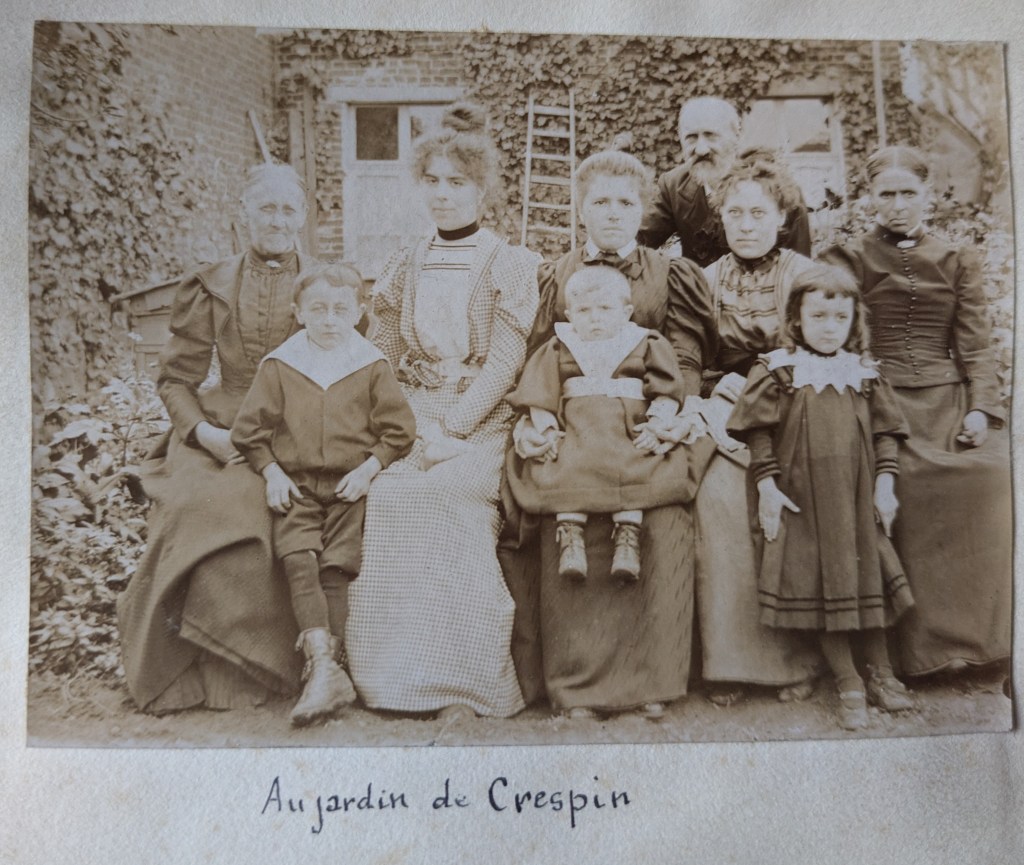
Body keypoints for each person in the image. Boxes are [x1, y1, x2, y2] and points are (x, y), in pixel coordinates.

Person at [503, 149, 714, 720]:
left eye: (625, 202)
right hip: (572, 422)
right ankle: (576, 685)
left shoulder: (670, 274)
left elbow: (684, 356)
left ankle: (651, 679)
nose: (614, 212)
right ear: (581, 210)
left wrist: (671, 416)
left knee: (663, 513)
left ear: (642, 210)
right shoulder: (557, 274)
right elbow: (541, 357)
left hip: (648, 422)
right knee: (558, 503)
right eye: (600, 201)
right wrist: (534, 422)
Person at [343, 104, 538, 720]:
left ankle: (466, 683)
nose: (444, 194)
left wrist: (452, 428)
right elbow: (381, 351)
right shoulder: (406, 261)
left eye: (458, 182)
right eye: (432, 181)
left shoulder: (510, 262)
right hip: (414, 412)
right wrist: (407, 422)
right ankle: (391, 678)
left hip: (483, 418)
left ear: (482, 189)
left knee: (447, 494)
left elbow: (506, 362)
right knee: (389, 496)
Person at [117, 163, 319, 713]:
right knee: (189, 508)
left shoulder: (323, 286)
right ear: (244, 213)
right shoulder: (212, 283)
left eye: (288, 209)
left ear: (302, 216)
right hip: (218, 428)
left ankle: (247, 673)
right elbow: (175, 380)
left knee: (247, 509)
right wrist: (205, 434)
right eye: (266, 208)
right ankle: (187, 670)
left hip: (294, 430)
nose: (277, 220)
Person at [821, 145, 1012, 677]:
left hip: (948, 403)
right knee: (904, 482)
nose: (898, 205)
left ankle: (984, 644)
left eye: (909, 193)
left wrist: (981, 410)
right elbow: (837, 337)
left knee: (995, 475)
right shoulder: (849, 257)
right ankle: (920, 654)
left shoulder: (957, 259)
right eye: (887, 194)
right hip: (879, 401)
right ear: (869, 197)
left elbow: (976, 345)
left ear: (927, 194)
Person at [657, 152, 825, 707]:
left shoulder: (804, 276)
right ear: (721, 218)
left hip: (794, 407)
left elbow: (821, 353)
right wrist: (706, 392)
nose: (746, 226)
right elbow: (691, 355)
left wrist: (762, 383)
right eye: (735, 214)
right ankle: (728, 661)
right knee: (717, 498)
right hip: (725, 407)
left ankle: (795, 660)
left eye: (758, 214)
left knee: (790, 494)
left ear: (781, 218)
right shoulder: (703, 279)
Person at [230, 264, 416, 726]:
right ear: (298, 312)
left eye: (340, 309)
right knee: (298, 557)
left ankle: (325, 673)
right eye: (317, 309)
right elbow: (249, 431)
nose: (329, 320)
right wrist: (271, 472)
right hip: (297, 485)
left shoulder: (370, 364)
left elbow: (399, 431)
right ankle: (324, 668)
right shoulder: (282, 364)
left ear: (358, 312)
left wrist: (370, 469)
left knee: (336, 566)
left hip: (349, 486)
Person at [505, 265, 691, 582]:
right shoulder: (559, 345)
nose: (595, 319)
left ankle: (628, 536)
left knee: (636, 466)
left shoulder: (645, 342)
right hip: (576, 431)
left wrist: (657, 424)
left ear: (626, 312)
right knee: (564, 467)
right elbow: (540, 391)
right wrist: (547, 430)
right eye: (584, 310)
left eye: (605, 309)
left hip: (627, 429)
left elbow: (667, 389)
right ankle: (570, 536)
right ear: (569, 315)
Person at [637, 96, 811, 266]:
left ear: (737, 137)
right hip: (699, 285)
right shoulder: (674, 185)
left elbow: (800, 268)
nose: (701, 149)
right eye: (691, 137)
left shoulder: (777, 187)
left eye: (711, 136)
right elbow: (636, 241)